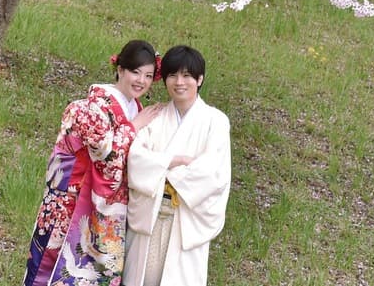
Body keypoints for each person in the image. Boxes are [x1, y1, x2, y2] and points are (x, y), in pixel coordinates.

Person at [23, 39, 158, 286]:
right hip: (75, 198)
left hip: (107, 204)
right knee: (56, 265)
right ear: (120, 69)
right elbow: (104, 155)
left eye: (148, 76)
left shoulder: (134, 107)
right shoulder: (96, 105)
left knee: (96, 271)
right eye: (135, 72)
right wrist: (134, 127)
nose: (141, 81)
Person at [122, 45, 231, 286]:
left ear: (199, 79)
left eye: (187, 75)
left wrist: (160, 168)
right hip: (150, 215)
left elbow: (213, 173)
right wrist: (174, 161)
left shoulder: (216, 121)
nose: (179, 82)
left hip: (185, 220)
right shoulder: (156, 116)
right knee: (142, 278)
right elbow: (136, 159)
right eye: (172, 75)